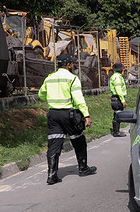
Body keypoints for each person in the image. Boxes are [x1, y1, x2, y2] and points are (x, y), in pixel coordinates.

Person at [39, 53, 97, 184]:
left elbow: (41, 94)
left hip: (53, 115)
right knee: (78, 140)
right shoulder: (72, 78)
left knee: (54, 144)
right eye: (73, 63)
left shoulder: (49, 78)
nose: (74, 65)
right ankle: (83, 168)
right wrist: (86, 115)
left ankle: (52, 175)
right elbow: (78, 98)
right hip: (69, 115)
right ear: (69, 65)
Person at [109, 62, 127, 137]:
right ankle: (116, 132)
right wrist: (123, 100)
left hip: (115, 98)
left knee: (116, 114)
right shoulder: (117, 77)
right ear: (120, 70)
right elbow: (118, 89)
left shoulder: (114, 76)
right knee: (118, 115)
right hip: (118, 98)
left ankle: (116, 130)